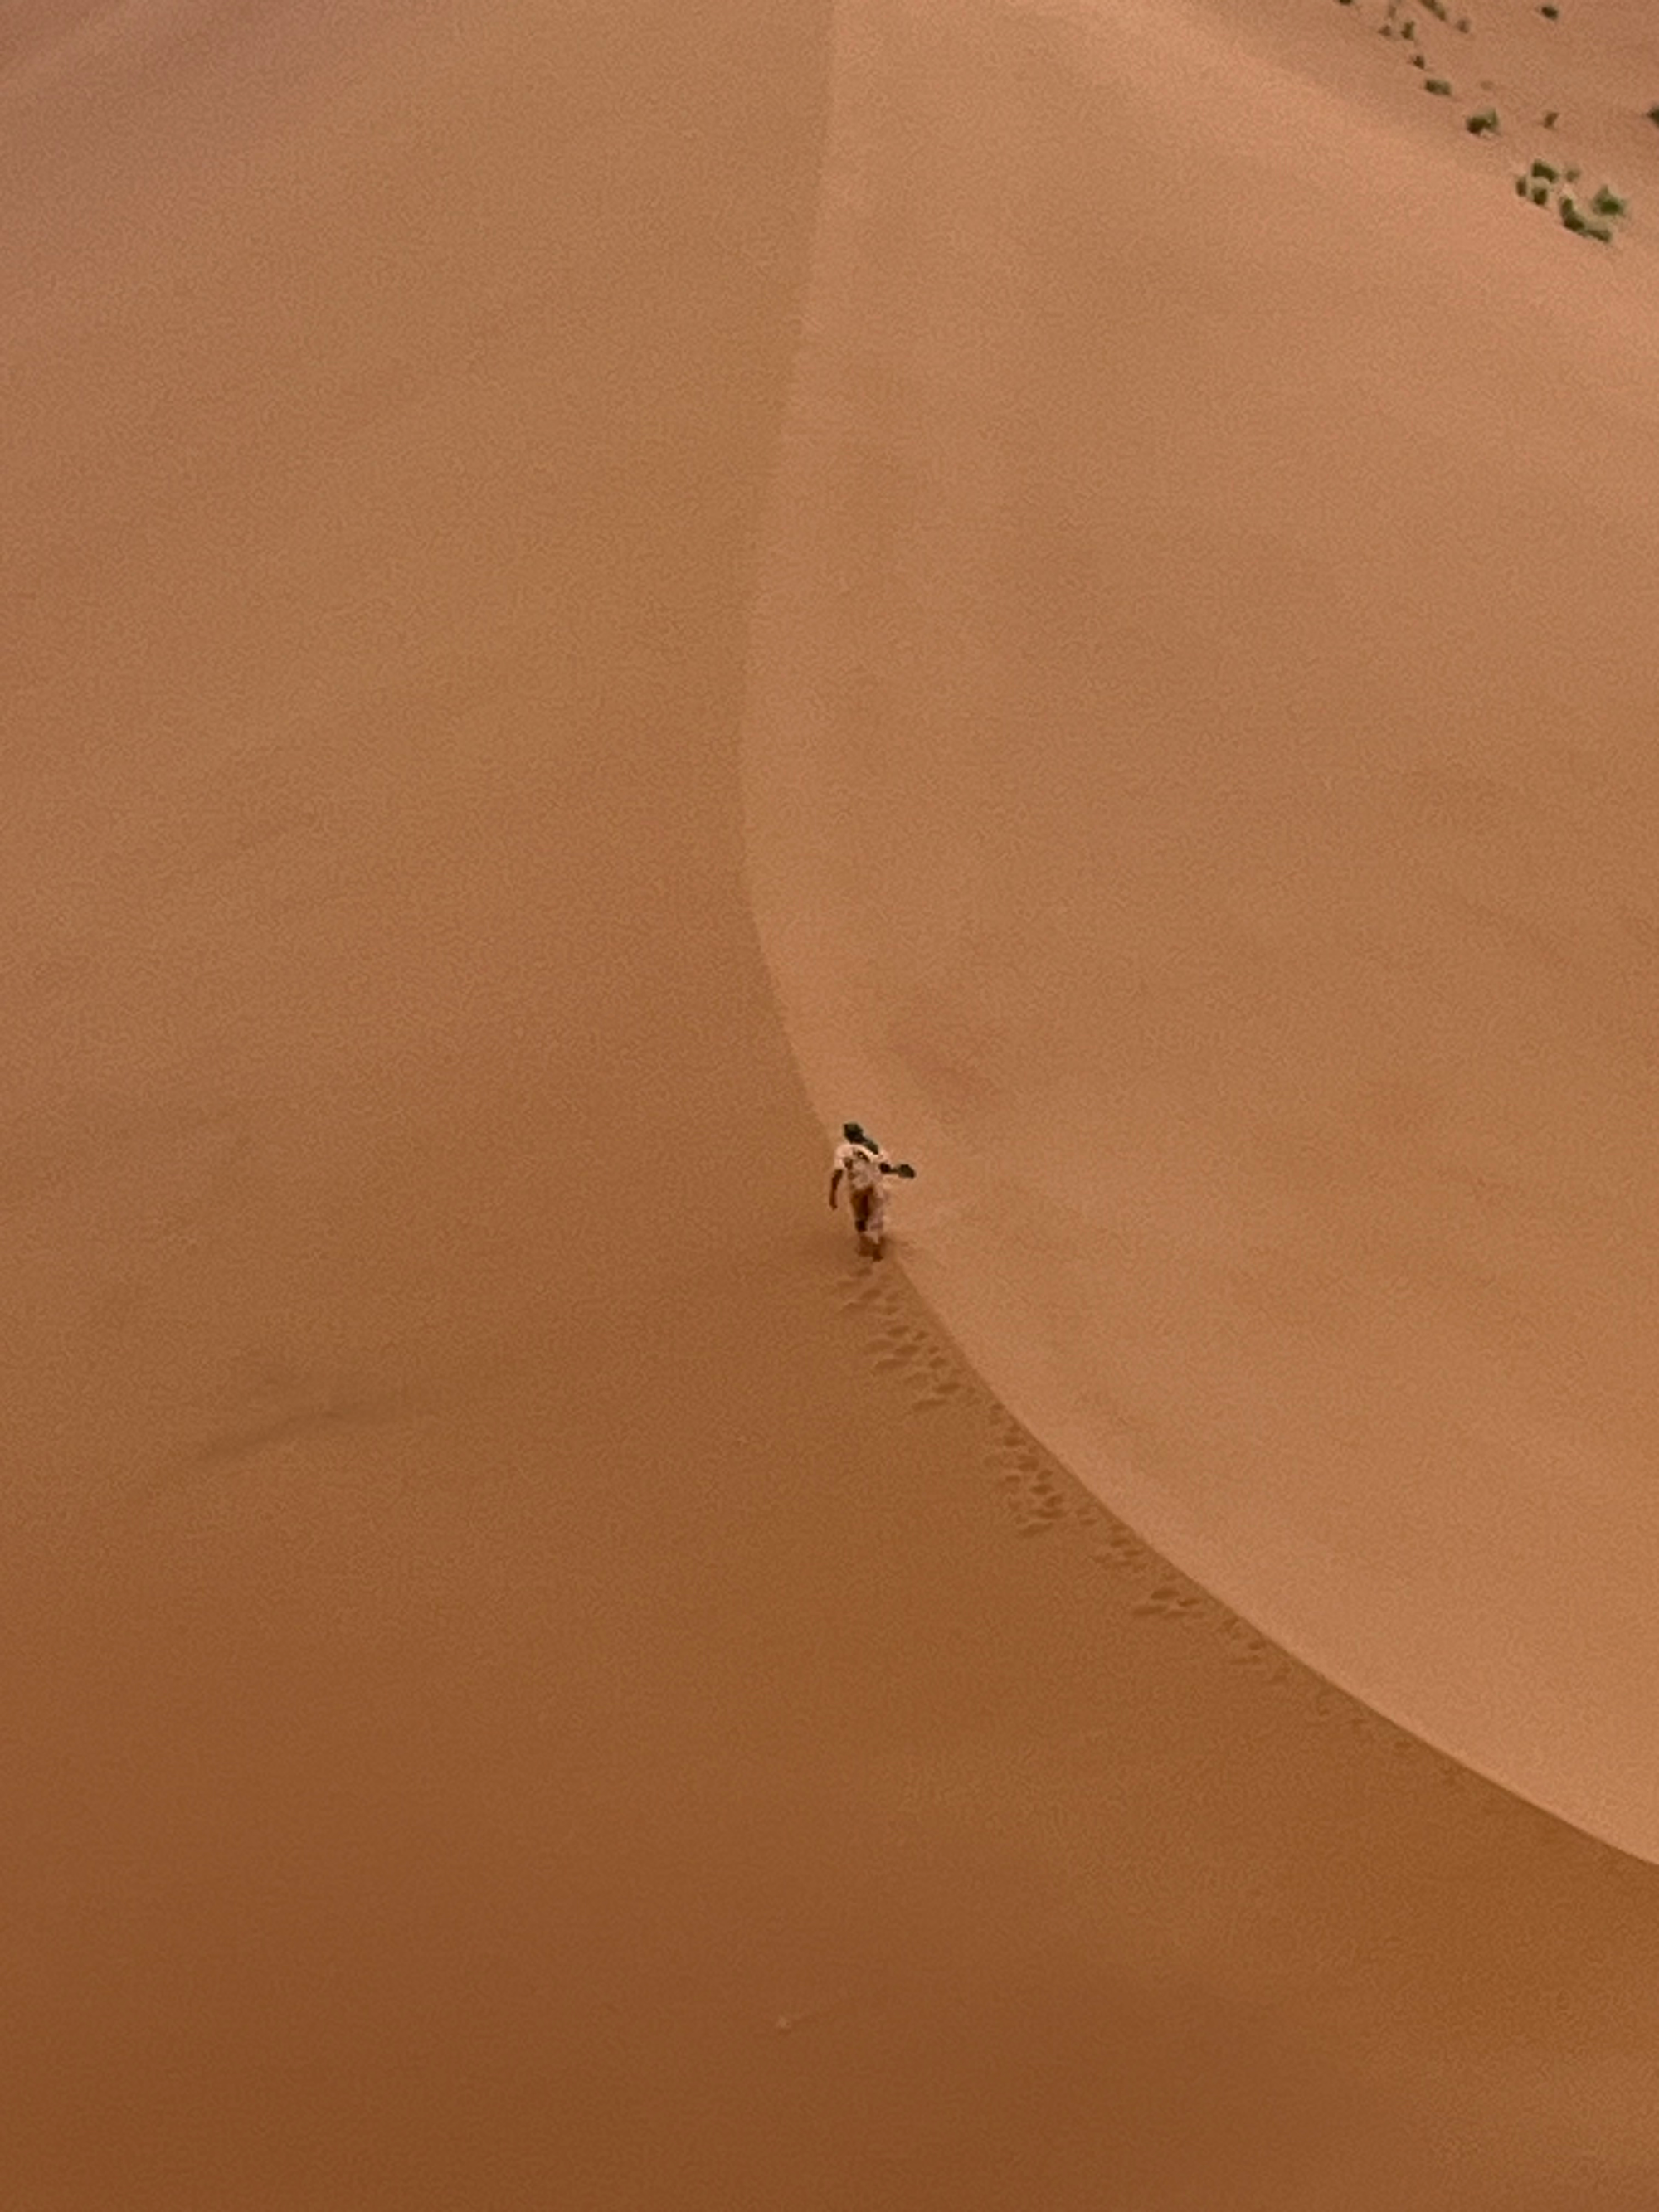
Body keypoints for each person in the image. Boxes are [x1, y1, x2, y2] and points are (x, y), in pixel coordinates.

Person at [828, 1121, 915, 1259]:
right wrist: (896, 1171)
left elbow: (838, 1172)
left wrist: (832, 1193)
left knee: (860, 1218)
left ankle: (865, 1245)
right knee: (876, 1217)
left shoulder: (843, 1150)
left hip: (858, 1187)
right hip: (876, 1185)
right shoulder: (874, 1147)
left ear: (847, 1136)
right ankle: (875, 1246)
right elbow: (884, 1168)